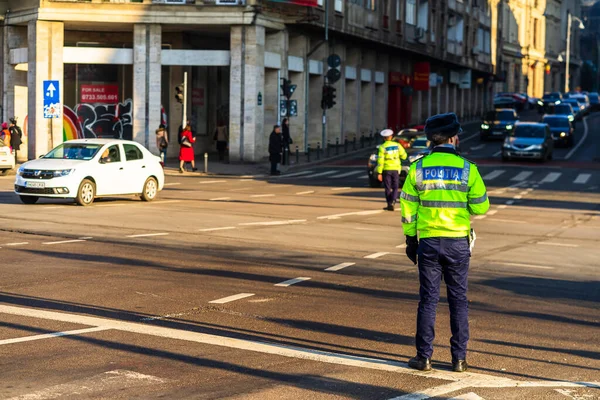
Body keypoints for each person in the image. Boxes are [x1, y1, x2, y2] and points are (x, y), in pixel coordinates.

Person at [400, 113, 489, 373]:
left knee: (428, 300)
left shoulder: (418, 167)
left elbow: (407, 207)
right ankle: (458, 359)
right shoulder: (467, 169)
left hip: (428, 242)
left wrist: (410, 239)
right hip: (458, 243)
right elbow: (481, 206)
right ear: (453, 138)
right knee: (458, 300)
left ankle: (423, 357)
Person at [377, 129, 408, 211]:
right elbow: (404, 156)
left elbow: (380, 161)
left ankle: (389, 203)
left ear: (384, 138)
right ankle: (393, 201)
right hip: (396, 169)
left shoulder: (382, 147)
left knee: (387, 187)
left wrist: (379, 172)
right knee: (395, 186)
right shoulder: (397, 145)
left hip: (386, 169)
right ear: (391, 137)